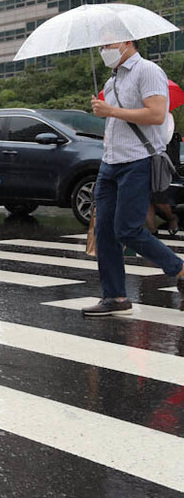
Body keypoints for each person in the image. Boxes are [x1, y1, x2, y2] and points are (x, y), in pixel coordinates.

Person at [84, 40, 184, 315]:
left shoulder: (148, 70)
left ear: (127, 42)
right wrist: (108, 124)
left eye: (108, 43)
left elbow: (156, 114)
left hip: (138, 162)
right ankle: (115, 297)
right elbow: (116, 122)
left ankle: (179, 268)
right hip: (110, 164)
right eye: (100, 44)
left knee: (127, 229)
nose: (103, 49)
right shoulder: (111, 80)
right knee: (104, 232)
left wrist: (111, 111)